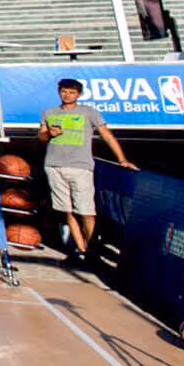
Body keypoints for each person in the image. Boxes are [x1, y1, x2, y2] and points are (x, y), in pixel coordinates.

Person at [38, 78, 136, 265]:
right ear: (59, 92)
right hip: (54, 166)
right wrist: (49, 133)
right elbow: (41, 136)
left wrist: (122, 160)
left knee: (86, 213)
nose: (67, 95)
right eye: (64, 91)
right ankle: (80, 251)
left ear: (79, 94)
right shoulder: (49, 112)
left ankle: (93, 252)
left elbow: (107, 135)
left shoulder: (89, 112)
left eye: (72, 92)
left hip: (81, 167)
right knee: (68, 211)